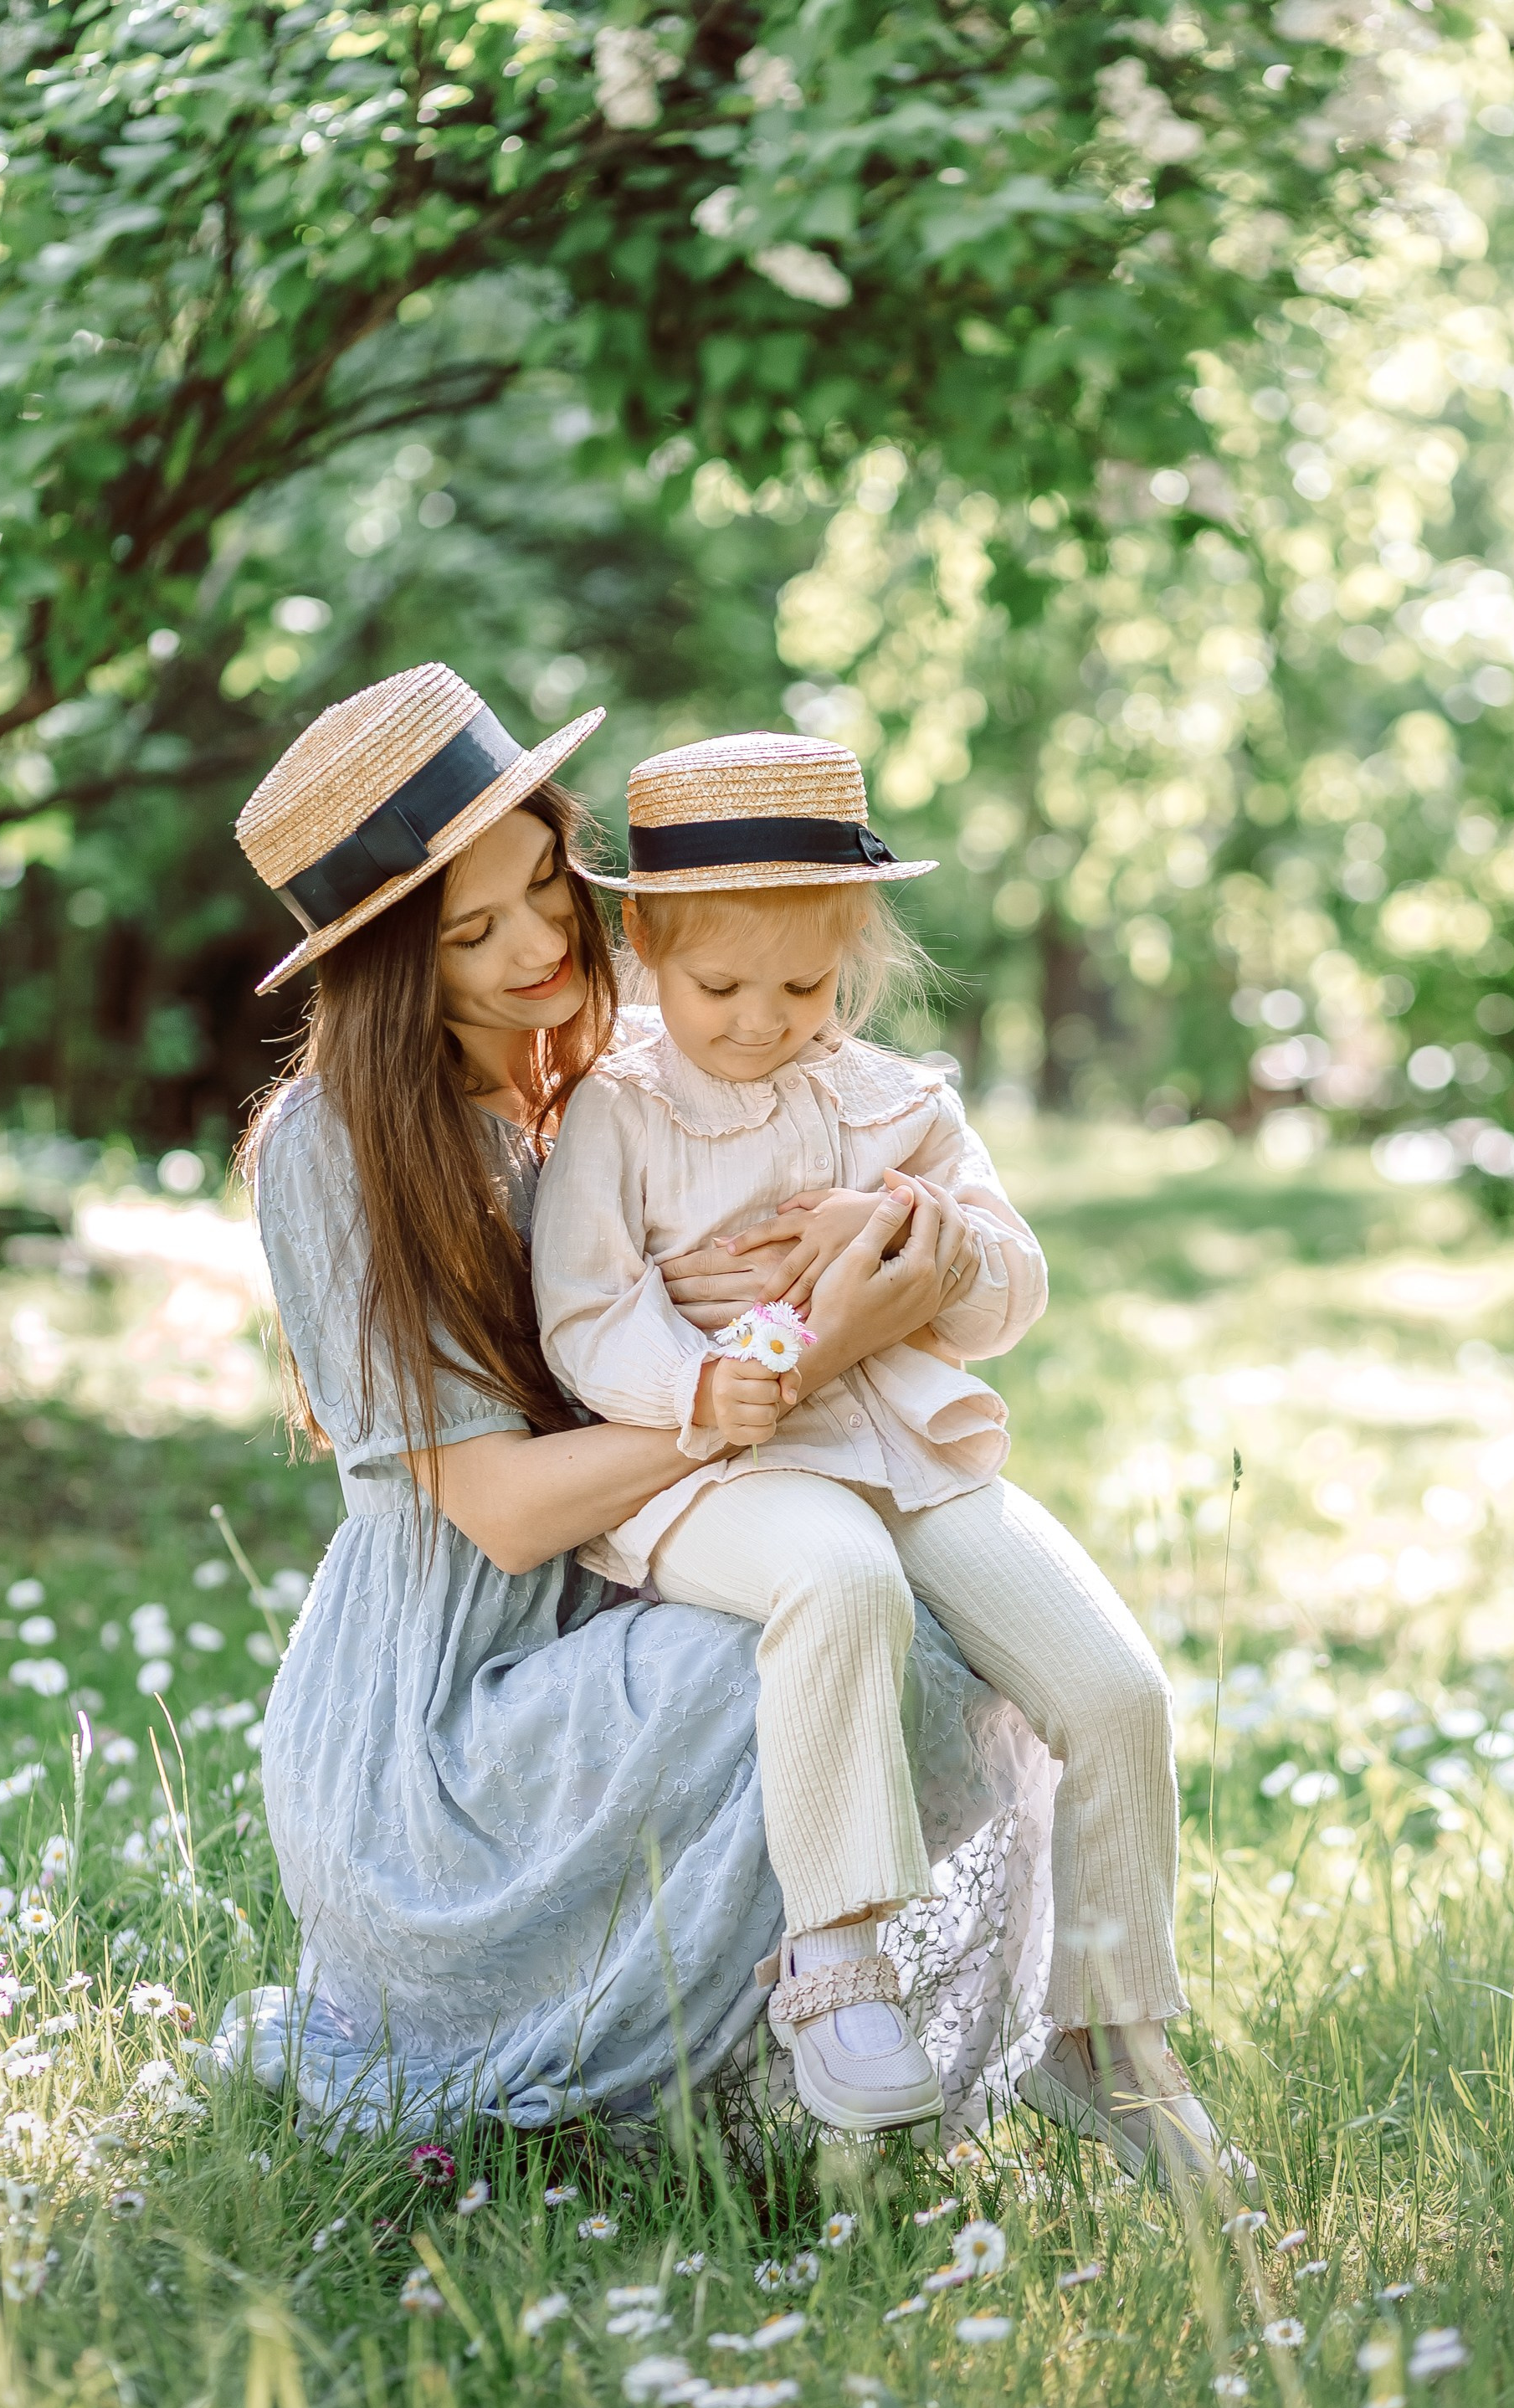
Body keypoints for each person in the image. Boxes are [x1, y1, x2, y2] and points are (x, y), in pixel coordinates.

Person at [208, 664, 1058, 2141]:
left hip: (630, 1580)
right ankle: (778, 2046)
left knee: (937, 1629)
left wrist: (880, 1251)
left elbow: (840, 1170)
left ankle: (876, 2041)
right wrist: (759, 1381)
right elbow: (507, 1512)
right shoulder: (336, 1148)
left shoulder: (601, 1079)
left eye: (547, 881)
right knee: (813, 1640)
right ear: (397, 960)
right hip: (447, 1719)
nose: (543, 943)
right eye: (475, 930)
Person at [533, 730, 1250, 2185]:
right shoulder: (618, 1110)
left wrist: (912, 1245)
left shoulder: (893, 1101)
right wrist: (703, 1382)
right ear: (644, 939)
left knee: (1114, 1687)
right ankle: (840, 1968)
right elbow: (585, 1313)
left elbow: (1011, 1291)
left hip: (905, 1446)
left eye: (805, 988)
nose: (759, 1022)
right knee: (841, 1581)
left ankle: (1108, 2041)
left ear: (854, 958)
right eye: (720, 985)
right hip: (715, 1467)